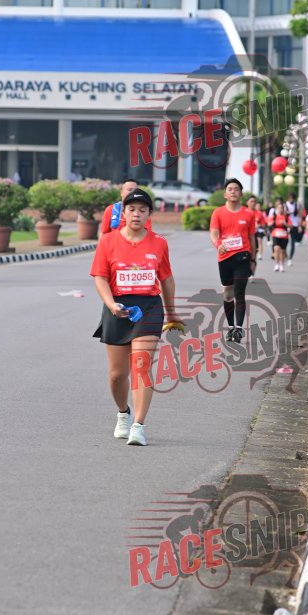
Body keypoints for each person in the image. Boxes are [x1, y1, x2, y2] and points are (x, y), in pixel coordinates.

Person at [91, 189, 180, 447]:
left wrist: (171, 312)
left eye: (142, 210)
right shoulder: (108, 241)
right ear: (124, 212)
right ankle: (124, 413)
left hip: (149, 308)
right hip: (117, 307)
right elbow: (100, 277)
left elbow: (166, 279)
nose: (136, 214)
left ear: (149, 214)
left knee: (141, 366)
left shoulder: (159, 243)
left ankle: (139, 426)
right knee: (117, 375)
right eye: (131, 209)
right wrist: (111, 304)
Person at [209, 178, 257, 343]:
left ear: (241, 194)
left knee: (239, 293)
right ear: (225, 194)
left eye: (236, 189)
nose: (233, 191)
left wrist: (253, 260)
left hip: (242, 257)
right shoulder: (218, 213)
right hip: (225, 258)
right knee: (228, 294)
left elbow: (252, 238)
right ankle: (230, 327)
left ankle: (238, 329)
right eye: (230, 189)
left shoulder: (249, 214)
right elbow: (214, 233)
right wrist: (218, 245)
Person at [268, 199, 291, 271]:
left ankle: (282, 265)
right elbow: (268, 223)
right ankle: (276, 264)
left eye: (282, 208)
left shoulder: (286, 217)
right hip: (276, 235)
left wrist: (285, 224)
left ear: (283, 209)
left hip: (284, 236)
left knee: (282, 251)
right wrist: (271, 223)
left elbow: (291, 226)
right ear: (277, 209)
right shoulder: (274, 216)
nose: (280, 209)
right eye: (279, 208)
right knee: (276, 248)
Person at [246, 195, 269, 261]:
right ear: (247, 202)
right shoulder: (243, 212)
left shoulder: (259, 213)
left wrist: (259, 225)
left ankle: (257, 257)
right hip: (245, 237)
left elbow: (264, 225)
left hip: (255, 235)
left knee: (253, 257)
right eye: (251, 201)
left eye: (254, 201)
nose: (253, 203)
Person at [285, 192, 302, 267]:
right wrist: (286, 213)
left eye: (292, 198)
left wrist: (299, 226)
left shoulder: (297, 205)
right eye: (290, 198)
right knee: (285, 242)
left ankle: (290, 259)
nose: (291, 199)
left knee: (292, 243)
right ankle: (285, 255)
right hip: (286, 225)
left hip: (294, 225)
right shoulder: (285, 205)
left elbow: (299, 216)